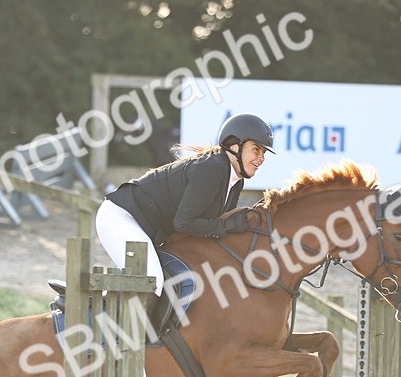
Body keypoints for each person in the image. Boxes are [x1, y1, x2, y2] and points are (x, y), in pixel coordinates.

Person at [98, 113, 276, 296]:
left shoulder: (236, 180)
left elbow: (213, 227)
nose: (261, 158)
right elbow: (184, 223)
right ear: (235, 146)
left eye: (263, 152)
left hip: (149, 230)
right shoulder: (212, 169)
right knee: (152, 281)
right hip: (122, 217)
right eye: (256, 149)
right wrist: (226, 225)